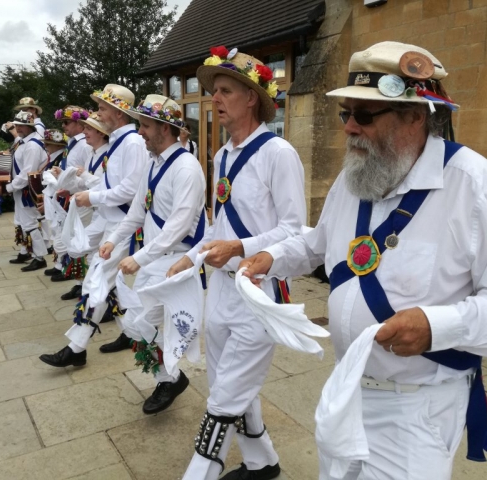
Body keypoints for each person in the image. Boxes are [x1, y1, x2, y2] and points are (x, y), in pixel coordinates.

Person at [239, 41, 487, 480]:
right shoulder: (352, 177)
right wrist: (270, 255)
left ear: (416, 116)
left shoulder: (475, 185)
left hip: (417, 410)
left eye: (364, 115)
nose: (349, 129)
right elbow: (319, 244)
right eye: (346, 114)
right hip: (345, 391)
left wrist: (435, 326)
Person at [169, 47, 306, 480]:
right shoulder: (223, 155)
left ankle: (201, 470)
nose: (215, 100)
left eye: (225, 91)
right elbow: (216, 226)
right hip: (222, 290)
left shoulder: (279, 153)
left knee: (226, 393)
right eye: (213, 93)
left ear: (252, 97)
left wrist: (240, 248)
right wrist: (189, 258)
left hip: (258, 290)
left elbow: (295, 231)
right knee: (229, 380)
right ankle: (262, 463)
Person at [97, 94, 205, 414]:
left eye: (145, 125)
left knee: (150, 325)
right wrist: (114, 241)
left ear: (164, 128)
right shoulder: (152, 164)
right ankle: (170, 378)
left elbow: (180, 226)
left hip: (175, 262)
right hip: (154, 259)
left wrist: (140, 257)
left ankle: (169, 379)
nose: (140, 131)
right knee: (143, 326)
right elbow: (135, 211)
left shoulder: (186, 168)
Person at [39, 84, 150, 368]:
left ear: (119, 113)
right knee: (109, 283)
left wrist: (92, 195)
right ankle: (132, 334)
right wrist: (88, 187)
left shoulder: (132, 143)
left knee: (96, 282)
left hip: (123, 225)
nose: (98, 114)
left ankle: (77, 347)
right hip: (110, 222)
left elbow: (131, 189)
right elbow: (111, 185)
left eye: (102, 108)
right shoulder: (118, 143)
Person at [57, 112, 111, 301]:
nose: (84, 132)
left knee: (98, 256)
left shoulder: (108, 155)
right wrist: (64, 181)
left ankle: (103, 299)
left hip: (106, 213)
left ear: (101, 133)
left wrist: (84, 176)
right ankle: (89, 291)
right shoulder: (92, 154)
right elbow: (83, 184)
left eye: (89, 129)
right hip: (94, 210)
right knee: (85, 250)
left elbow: (104, 187)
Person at [0, 111, 48, 271]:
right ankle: (29, 252)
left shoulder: (32, 146)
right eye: (16, 125)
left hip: (27, 190)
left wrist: (6, 188)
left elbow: (27, 175)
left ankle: (39, 257)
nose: (17, 128)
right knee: (23, 223)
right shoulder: (24, 143)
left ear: (29, 126)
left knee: (30, 223)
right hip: (21, 189)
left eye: (21, 125)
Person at [44, 106, 93, 283]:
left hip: (83, 200)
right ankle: (78, 280)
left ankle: (82, 282)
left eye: (66, 122)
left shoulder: (84, 145)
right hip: (71, 197)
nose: (63, 126)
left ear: (79, 123)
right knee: (70, 237)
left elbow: (87, 174)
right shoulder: (73, 144)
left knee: (80, 240)